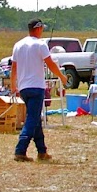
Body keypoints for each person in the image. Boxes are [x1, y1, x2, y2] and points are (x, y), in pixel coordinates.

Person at [11, 19, 69, 162]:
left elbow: (14, 67)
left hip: (24, 87)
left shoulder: (18, 45)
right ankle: (20, 149)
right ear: (38, 29)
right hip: (36, 86)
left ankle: (42, 151)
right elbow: (50, 64)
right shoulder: (40, 44)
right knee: (32, 119)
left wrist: (13, 85)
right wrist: (61, 77)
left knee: (36, 118)